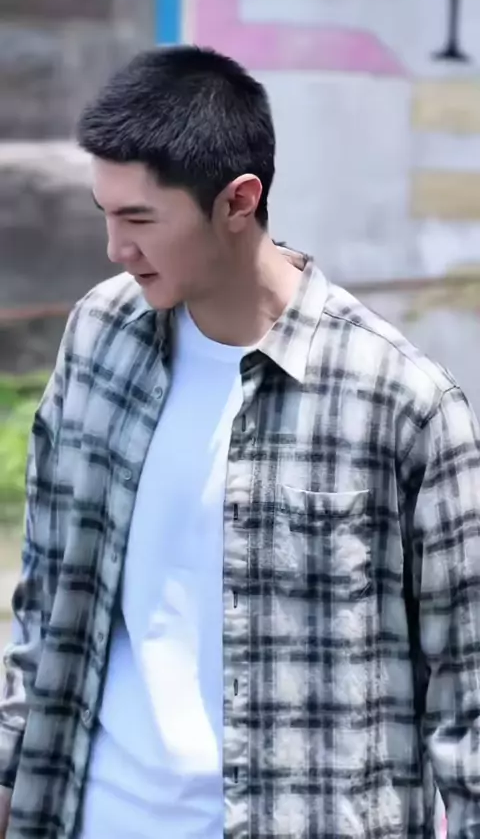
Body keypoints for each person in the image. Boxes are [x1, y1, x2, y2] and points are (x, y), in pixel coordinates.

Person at [0, 45, 479, 839]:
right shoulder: (99, 336)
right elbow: (48, 594)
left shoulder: (401, 403)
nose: (116, 248)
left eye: (140, 219)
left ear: (238, 201)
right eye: (105, 214)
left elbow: (467, 691)